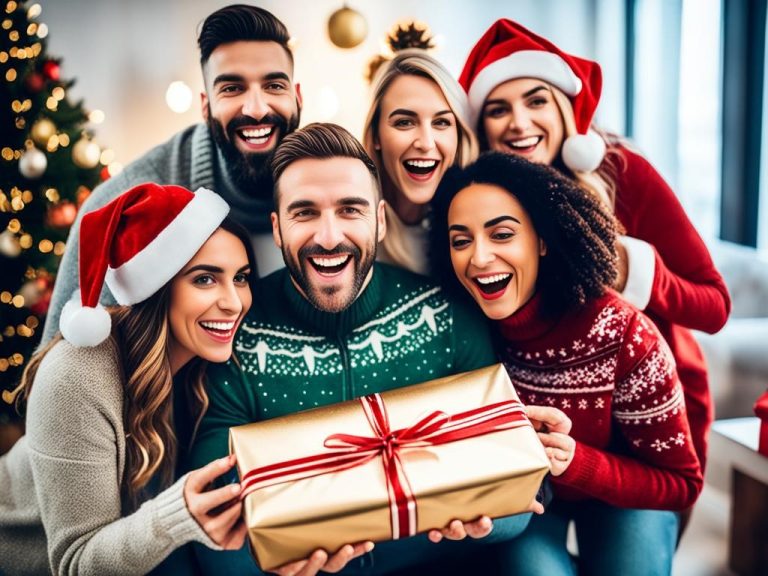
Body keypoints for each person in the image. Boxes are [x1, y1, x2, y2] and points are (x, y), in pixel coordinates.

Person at [190, 123, 571, 576]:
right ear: (276, 227)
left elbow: (521, 503)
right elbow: (217, 534)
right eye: (304, 212)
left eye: (350, 210)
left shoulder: (446, 314)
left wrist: (485, 514)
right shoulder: (235, 335)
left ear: (381, 220)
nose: (328, 237)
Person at [457, 18, 730, 474]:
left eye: (536, 100)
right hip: (539, 436)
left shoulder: (623, 174)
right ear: (482, 129)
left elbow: (715, 307)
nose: (519, 122)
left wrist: (632, 268)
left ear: (566, 110)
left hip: (648, 428)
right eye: (498, 109)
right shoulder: (479, 203)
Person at [430, 151, 703, 575]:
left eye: (501, 234)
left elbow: (682, 484)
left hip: (625, 497)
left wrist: (578, 462)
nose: (478, 258)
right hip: (537, 507)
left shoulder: (626, 334)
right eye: (460, 240)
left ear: (541, 240)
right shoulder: (463, 330)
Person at [0, 183, 255, 575]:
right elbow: (76, 562)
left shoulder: (203, 365)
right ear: (158, 287)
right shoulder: (78, 374)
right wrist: (177, 515)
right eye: (205, 279)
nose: (234, 302)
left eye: (240, 277)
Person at [42, 4, 302, 345]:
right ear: (205, 105)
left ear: (297, 97)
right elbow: (61, 366)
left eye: (274, 86)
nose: (256, 109)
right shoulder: (127, 204)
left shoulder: (332, 185)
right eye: (232, 89)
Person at [362, 49, 478, 275]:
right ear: (376, 135)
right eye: (405, 122)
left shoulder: (478, 227)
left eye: (441, 122)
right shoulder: (350, 226)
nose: (426, 143)